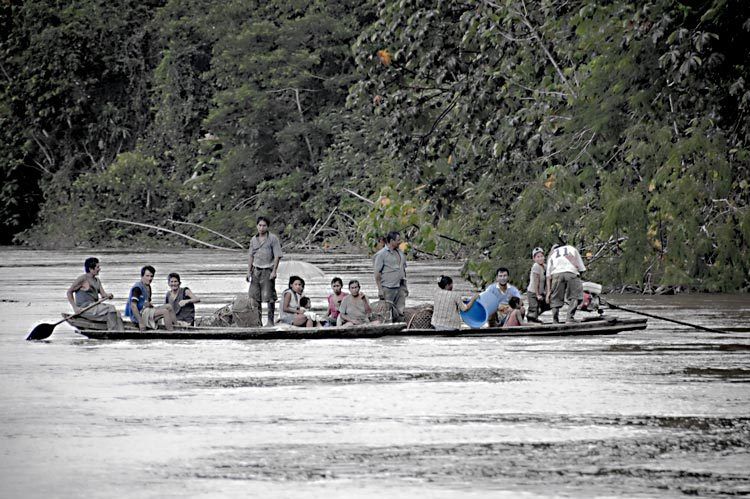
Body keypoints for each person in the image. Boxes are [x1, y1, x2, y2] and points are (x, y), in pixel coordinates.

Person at [66, 257, 124, 331]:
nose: (99, 269)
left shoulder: (97, 280)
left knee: (117, 313)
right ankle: (113, 331)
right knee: (111, 308)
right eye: (97, 267)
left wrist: (109, 295)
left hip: (95, 308)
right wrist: (75, 308)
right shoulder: (82, 279)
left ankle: (121, 332)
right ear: (91, 269)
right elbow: (69, 292)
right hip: (85, 309)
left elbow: (104, 295)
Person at [247, 216, 283, 326]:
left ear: (267, 227)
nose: (262, 228)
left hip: (268, 270)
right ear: (257, 226)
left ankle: (270, 321)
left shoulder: (272, 239)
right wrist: (248, 271)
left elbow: (277, 255)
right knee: (254, 297)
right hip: (256, 270)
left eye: (264, 225)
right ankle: (258, 322)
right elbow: (251, 256)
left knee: (269, 297)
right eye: (260, 225)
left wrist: (274, 271)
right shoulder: (253, 239)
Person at [125, 265, 177, 331]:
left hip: (146, 312)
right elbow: (133, 306)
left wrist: (148, 304)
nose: (149, 278)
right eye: (147, 276)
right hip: (139, 316)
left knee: (169, 307)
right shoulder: (137, 288)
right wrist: (140, 322)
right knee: (165, 312)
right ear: (142, 276)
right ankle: (171, 332)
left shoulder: (148, 287)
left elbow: (146, 302)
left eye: (151, 276)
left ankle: (177, 327)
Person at [545, 243, 587, 323]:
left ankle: (555, 320)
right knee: (575, 296)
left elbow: (548, 276)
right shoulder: (572, 249)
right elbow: (581, 268)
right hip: (571, 272)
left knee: (555, 298)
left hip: (556, 274)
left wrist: (549, 291)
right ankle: (569, 318)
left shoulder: (552, 254)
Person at [374, 231, 408, 322]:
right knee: (386, 312)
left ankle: (399, 331)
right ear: (392, 241)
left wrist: (405, 287)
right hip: (388, 287)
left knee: (400, 311)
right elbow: (377, 274)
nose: (400, 242)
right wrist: (380, 289)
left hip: (400, 286)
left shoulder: (400, 253)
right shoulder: (381, 254)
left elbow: (403, 270)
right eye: (398, 240)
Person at [526, 247, 550, 322]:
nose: (540, 258)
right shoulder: (536, 266)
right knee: (533, 308)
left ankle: (534, 318)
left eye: (541, 256)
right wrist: (537, 295)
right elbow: (536, 281)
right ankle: (531, 319)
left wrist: (547, 292)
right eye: (538, 257)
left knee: (547, 305)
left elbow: (547, 279)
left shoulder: (545, 266)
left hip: (541, 292)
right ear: (534, 258)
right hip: (533, 292)